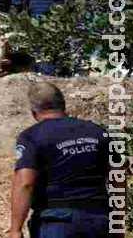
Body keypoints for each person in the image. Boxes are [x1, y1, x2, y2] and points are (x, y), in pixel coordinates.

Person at [10, 81, 124, 238]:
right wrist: (118, 221)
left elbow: (25, 183)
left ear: (34, 112)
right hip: (100, 220)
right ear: (63, 106)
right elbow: (118, 177)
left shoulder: (31, 136)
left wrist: (15, 230)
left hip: (57, 222)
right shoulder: (98, 132)